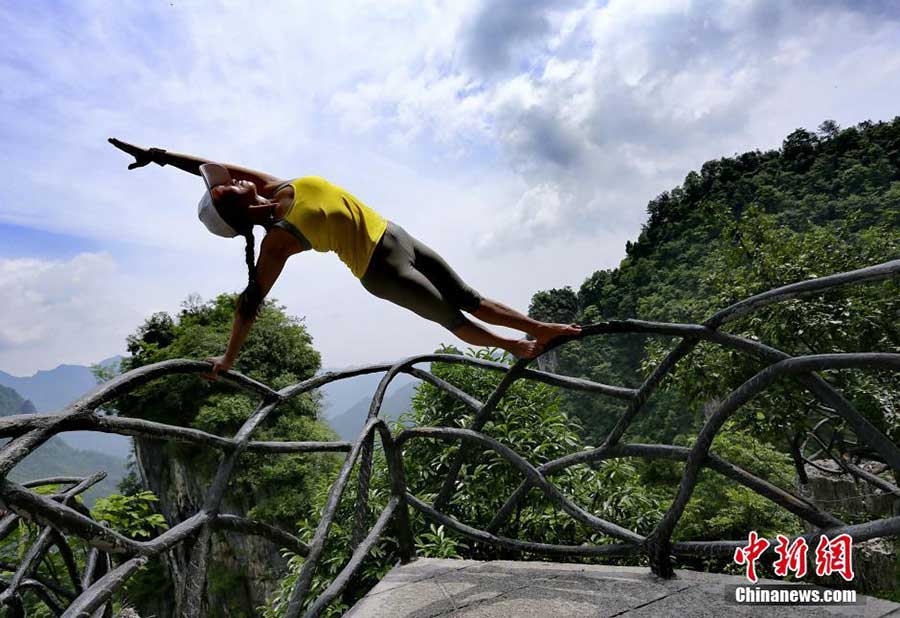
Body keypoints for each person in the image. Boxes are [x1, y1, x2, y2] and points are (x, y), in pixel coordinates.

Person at [109, 138, 582, 380]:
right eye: (227, 188)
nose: (231, 178)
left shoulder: (273, 185)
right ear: (236, 210)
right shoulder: (277, 240)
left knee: (468, 296)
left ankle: (538, 329)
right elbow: (248, 304)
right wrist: (229, 358)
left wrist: (159, 156)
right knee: (452, 317)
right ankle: (514, 346)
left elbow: (206, 163)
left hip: (395, 233)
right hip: (381, 268)